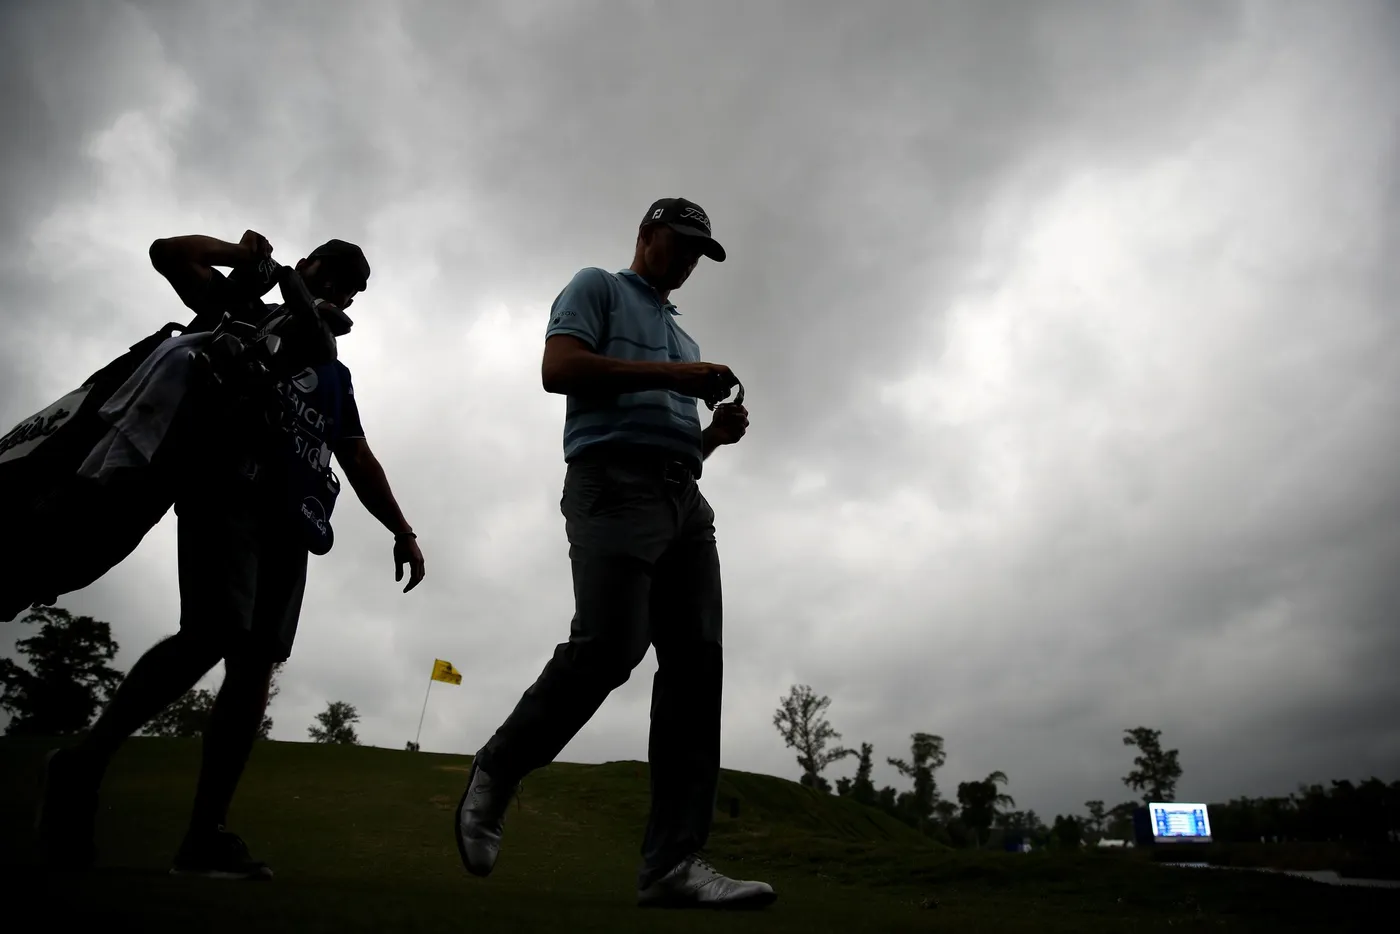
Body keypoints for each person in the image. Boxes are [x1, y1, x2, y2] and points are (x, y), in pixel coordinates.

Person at [35, 230, 427, 880]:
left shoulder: (334, 372)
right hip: (225, 487)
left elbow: (356, 455)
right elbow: (168, 252)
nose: (340, 293)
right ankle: (82, 766)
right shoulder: (243, 310)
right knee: (212, 632)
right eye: (331, 276)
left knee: (255, 665)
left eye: (352, 290)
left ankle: (204, 836)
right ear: (306, 267)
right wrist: (246, 259)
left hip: (292, 516)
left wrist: (402, 530)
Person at [455, 198, 774, 909]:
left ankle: (672, 864)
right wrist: (673, 378)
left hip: (682, 499)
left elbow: (676, 442)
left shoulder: (684, 337)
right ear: (646, 234)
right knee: (610, 647)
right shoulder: (595, 286)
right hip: (611, 485)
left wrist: (713, 435)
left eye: (699, 253)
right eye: (679, 244)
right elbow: (559, 368)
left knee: (696, 667)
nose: (687, 260)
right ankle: (498, 769)